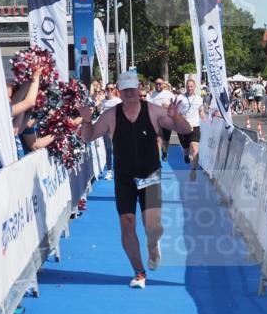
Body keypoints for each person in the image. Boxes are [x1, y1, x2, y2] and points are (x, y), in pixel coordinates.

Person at [79, 70, 191, 289]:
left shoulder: (154, 111)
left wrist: (176, 116)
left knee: (152, 226)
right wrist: (85, 120)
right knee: (127, 224)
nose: (130, 94)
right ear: (120, 92)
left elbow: (185, 129)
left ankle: (152, 244)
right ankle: (139, 272)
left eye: (133, 90)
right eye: (126, 91)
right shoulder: (111, 115)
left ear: (139, 90)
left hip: (149, 174)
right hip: (124, 178)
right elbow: (88, 136)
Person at [175, 77, 205, 180]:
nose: (189, 88)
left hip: (195, 126)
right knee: (186, 149)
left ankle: (193, 171)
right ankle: (185, 154)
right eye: (188, 86)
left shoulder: (199, 99)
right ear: (185, 87)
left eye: (191, 86)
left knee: (195, 148)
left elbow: (201, 111)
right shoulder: (180, 98)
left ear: (195, 87)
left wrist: (205, 118)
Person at [147, 77, 176, 162]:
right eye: (156, 84)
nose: (158, 85)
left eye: (160, 84)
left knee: (165, 141)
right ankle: (157, 162)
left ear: (163, 84)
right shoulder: (152, 95)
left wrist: (168, 107)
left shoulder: (169, 94)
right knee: (158, 141)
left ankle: (165, 152)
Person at [99, 82, 122, 180]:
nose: (110, 91)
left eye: (111, 89)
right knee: (109, 150)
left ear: (115, 90)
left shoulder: (118, 101)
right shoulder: (102, 102)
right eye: (107, 89)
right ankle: (109, 170)